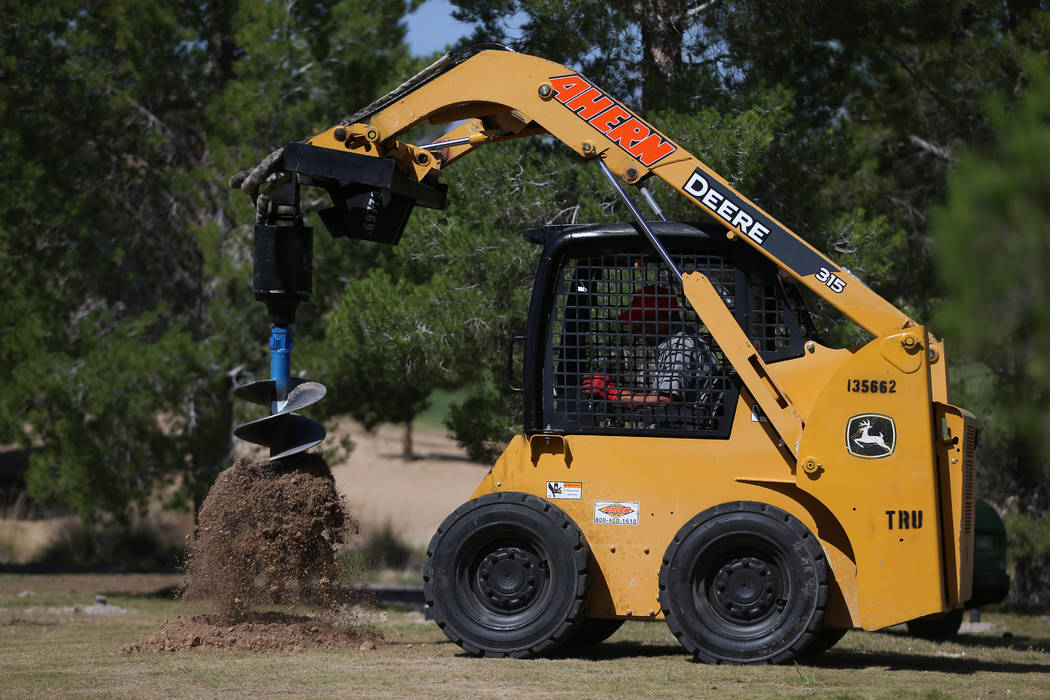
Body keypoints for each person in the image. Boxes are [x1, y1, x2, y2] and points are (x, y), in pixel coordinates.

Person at [581, 283, 717, 410]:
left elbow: (665, 400)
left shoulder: (680, 345)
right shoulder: (682, 339)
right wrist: (617, 392)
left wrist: (613, 394)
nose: (635, 331)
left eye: (639, 324)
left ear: (662, 319)